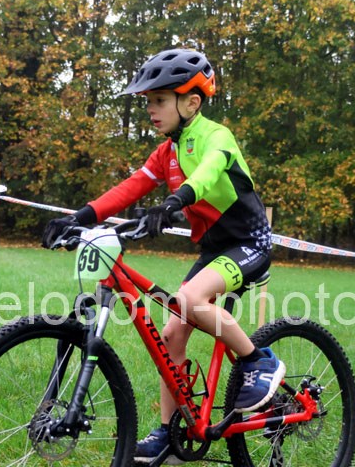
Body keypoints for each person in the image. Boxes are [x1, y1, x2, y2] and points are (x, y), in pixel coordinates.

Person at [42, 48, 285, 464]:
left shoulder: (216, 136)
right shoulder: (166, 152)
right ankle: (171, 434)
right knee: (172, 334)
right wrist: (79, 217)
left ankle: (259, 360)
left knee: (190, 299)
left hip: (249, 242)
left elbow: (208, 172)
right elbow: (131, 187)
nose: (151, 110)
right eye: (148, 102)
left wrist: (175, 202)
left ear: (191, 102)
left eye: (159, 100)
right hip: (214, 250)